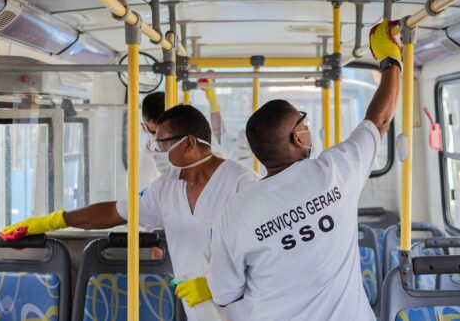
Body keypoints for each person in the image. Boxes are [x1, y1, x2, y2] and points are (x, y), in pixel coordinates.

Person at [177, 18, 402, 320]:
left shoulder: (235, 210)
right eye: (304, 123)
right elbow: (381, 119)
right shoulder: (334, 172)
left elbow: (225, 292)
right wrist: (390, 58)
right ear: (298, 137)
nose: (308, 128)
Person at [0, 104, 258, 321]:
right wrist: (55, 220)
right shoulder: (165, 188)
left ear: (189, 143)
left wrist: (214, 286)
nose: (156, 153)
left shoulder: (242, 185)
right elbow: (114, 211)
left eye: (161, 145)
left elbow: (266, 259)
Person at [202, 82, 266, 175]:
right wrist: (212, 99)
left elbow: (218, 129)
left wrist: (212, 99)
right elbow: (218, 129)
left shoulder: (233, 156)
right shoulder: (269, 161)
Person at [139, 91, 170, 188]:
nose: (162, 140)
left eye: (167, 132)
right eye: (155, 132)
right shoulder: (143, 169)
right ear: (144, 128)